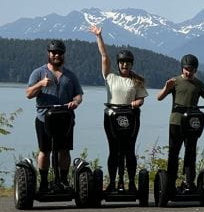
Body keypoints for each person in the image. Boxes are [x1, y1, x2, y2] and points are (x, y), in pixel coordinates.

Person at [89, 25, 148, 193]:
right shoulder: (110, 77)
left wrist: (137, 102)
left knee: (129, 150)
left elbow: (141, 98)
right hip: (111, 117)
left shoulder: (137, 81)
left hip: (131, 117)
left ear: (131, 65)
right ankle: (113, 183)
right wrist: (99, 36)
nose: (125, 65)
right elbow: (104, 56)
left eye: (128, 63)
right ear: (118, 64)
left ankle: (130, 183)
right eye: (122, 62)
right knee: (114, 150)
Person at [25, 39, 83, 192]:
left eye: (60, 53)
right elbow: (28, 94)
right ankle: (44, 182)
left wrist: (75, 102)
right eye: (54, 52)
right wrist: (40, 84)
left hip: (65, 119)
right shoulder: (38, 72)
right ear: (49, 54)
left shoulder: (70, 75)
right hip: (44, 118)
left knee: (64, 150)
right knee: (44, 151)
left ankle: (63, 181)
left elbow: (78, 95)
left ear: (63, 55)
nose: (57, 55)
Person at [156, 54, 204, 191]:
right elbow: (159, 97)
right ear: (182, 69)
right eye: (187, 69)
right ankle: (170, 183)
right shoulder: (175, 81)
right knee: (173, 153)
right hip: (176, 122)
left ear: (196, 70)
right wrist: (166, 88)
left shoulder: (198, 84)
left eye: (192, 70)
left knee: (190, 154)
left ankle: (189, 183)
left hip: (192, 124)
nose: (189, 72)